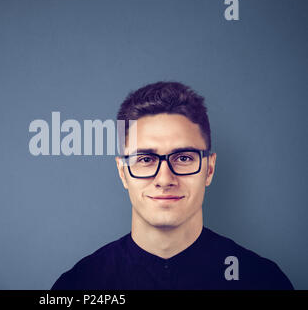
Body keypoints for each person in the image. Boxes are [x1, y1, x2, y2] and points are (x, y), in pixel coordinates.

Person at [51, 81, 294, 290]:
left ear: (209, 169)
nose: (165, 179)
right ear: (123, 173)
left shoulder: (262, 280)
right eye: (146, 159)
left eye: (184, 158)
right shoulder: (79, 285)